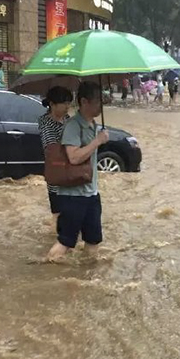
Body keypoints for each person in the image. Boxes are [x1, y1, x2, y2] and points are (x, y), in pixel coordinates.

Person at [47, 82, 109, 262]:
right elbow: (73, 157)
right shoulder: (73, 126)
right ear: (84, 101)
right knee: (65, 242)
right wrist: (97, 142)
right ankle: (47, 271)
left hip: (91, 193)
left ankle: (87, 276)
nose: (101, 105)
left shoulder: (94, 124)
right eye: (98, 101)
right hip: (73, 196)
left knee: (93, 241)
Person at [38, 85, 73, 225]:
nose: (67, 106)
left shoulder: (67, 119)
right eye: (64, 103)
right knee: (58, 215)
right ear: (52, 104)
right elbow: (51, 148)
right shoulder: (46, 122)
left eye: (69, 103)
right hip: (56, 174)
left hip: (71, 175)